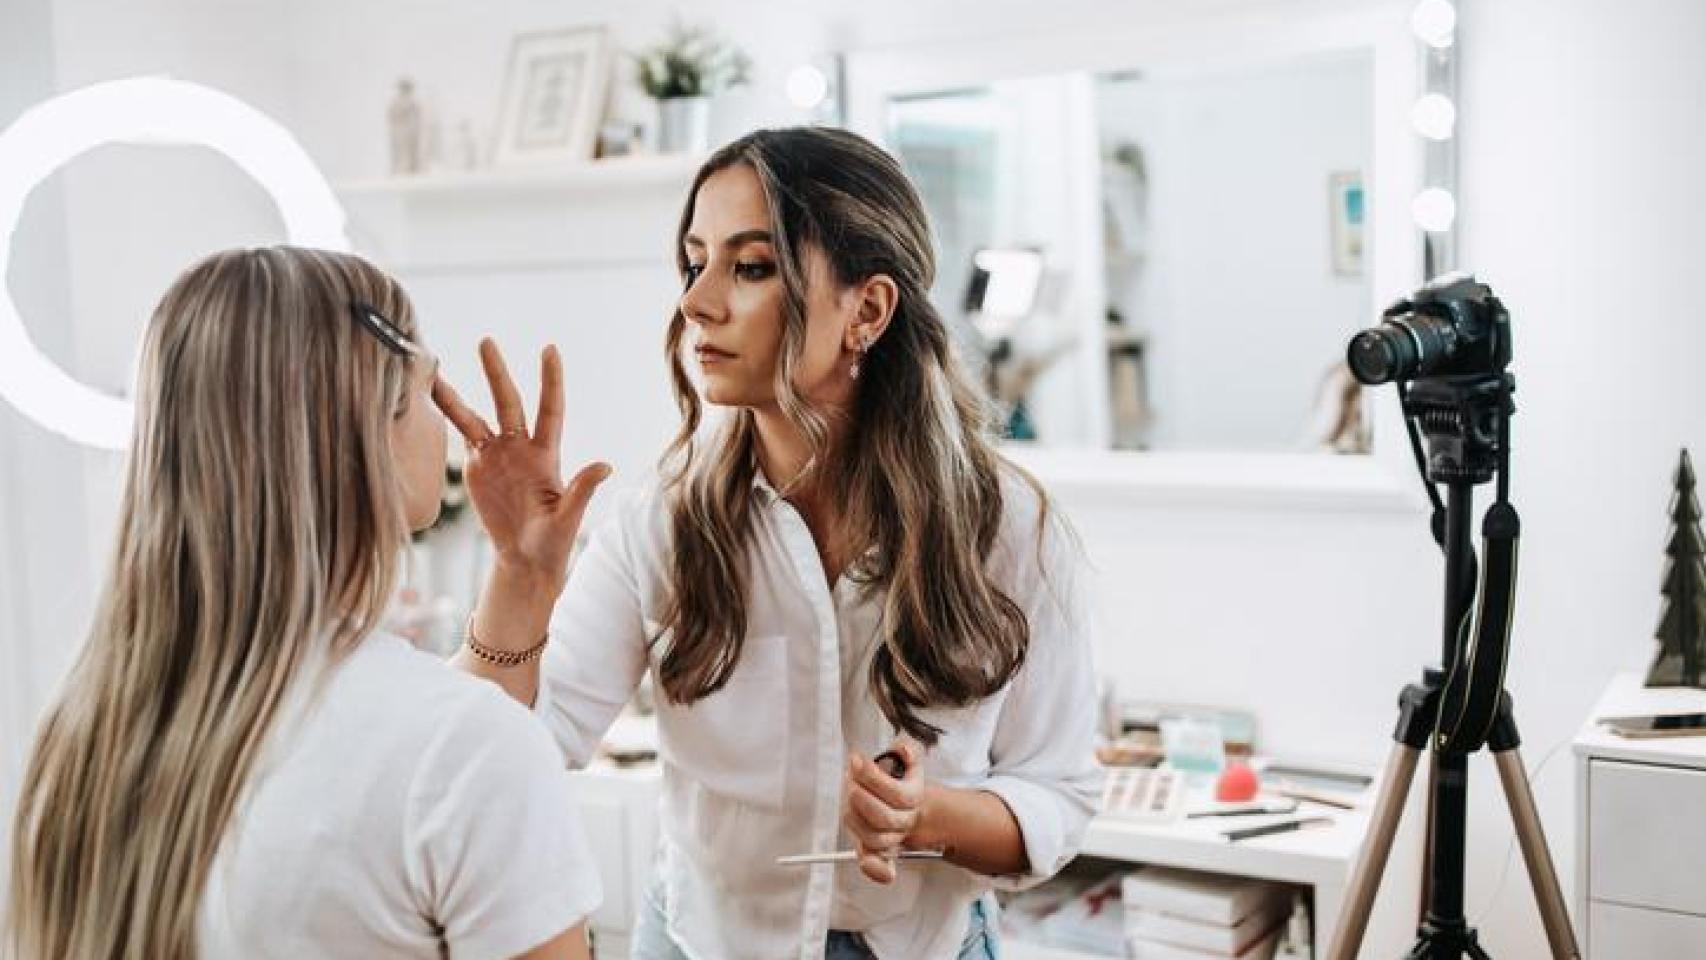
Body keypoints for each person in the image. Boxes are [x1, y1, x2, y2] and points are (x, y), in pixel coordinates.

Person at [438, 127, 1101, 959]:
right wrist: (517, 575)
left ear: (868, 309)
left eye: (750, 267)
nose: (697, 302)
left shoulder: (1006, 528)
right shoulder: (665, 519)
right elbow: (503, 759)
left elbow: (1060, 797)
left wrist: (927, 817)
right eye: (694, 262)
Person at [6, 247, 602, 959]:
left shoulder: (88, 734)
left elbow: (402, 761)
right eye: (431, 383)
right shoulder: (463, 751)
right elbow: (437, 765)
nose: (450, 420)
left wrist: (523, 577)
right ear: (368, 421)